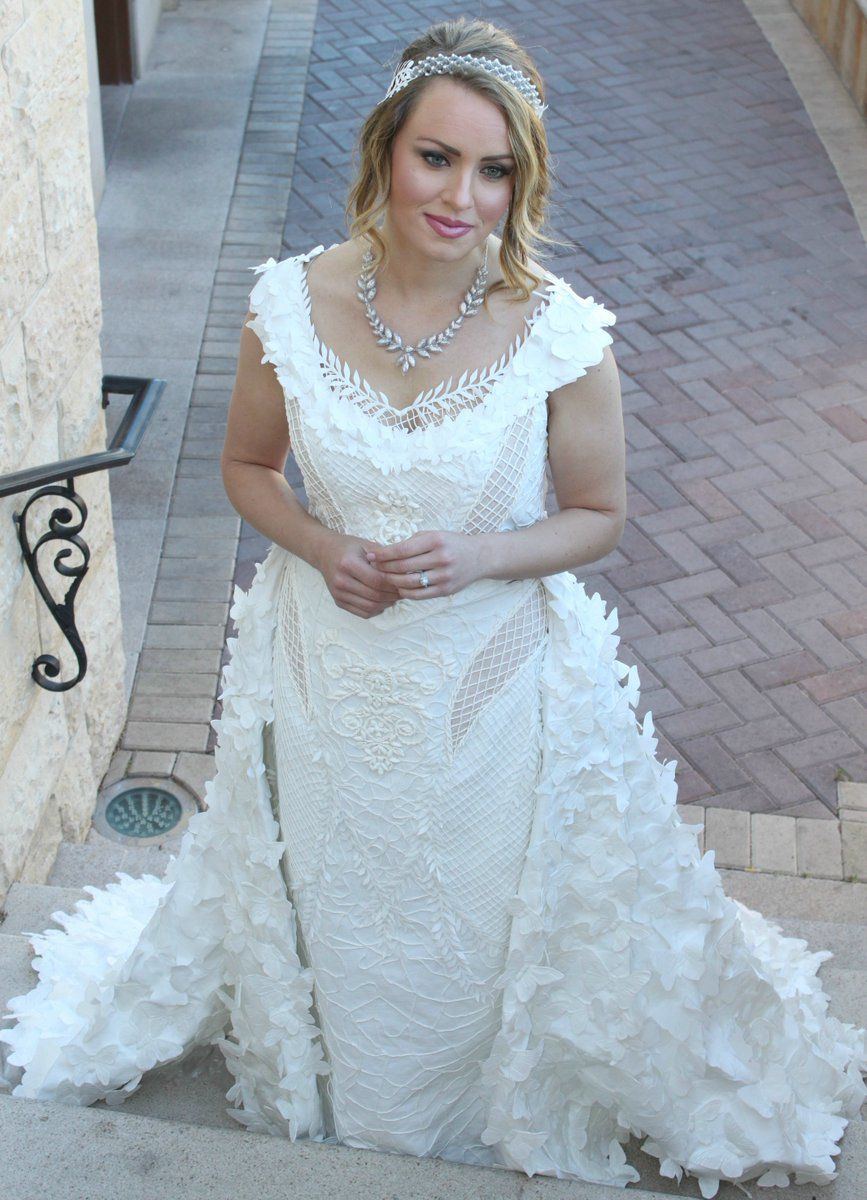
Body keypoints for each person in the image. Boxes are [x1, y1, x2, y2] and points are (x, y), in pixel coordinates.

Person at [1, 16, 864, 1199]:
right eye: (437, 158)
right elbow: (248, 467)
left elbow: (599, 515)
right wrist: (321, 545)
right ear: (385, 152)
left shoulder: (561, 335)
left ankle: (480, 1095)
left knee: (475, 910)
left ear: (523, 180)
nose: (463, 197)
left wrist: (487, 553)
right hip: (326, 674)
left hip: (492, 692)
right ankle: (357, 1096)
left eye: (494, 169)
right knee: (342, 901)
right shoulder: (287, 303)